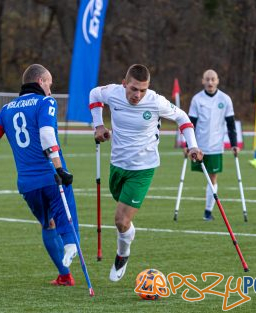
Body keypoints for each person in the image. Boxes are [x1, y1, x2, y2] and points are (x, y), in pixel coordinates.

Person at [0, 64, 79, 286]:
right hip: (51, 176)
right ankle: (71, 245)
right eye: (49, 83)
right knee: (66, 215)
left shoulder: (6, 109)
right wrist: (60, 168)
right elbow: (47, 135)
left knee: (48, 223)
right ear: (41, 81)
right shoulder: (46, 102)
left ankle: (64, 275)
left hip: (27, 184)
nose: (50, 89)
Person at [88, 64, 203, 282]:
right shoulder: (113, 92)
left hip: (143, 168)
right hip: (117, 164)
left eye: (142, 90)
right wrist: (98, 125)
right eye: (133, 89)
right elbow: (94, 94)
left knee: (120, 220)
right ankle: (128, 233)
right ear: (124, 84)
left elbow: (183, 118)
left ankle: (123, 254)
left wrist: (193, 146)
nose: (137, 95)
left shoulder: (156, 101)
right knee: (123, 218)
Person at [187, 69, 238, 221]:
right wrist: (188, 144)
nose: (210, 82)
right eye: (207, 79)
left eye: (213, 79)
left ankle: (208, 211)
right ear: (203, 81)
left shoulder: (225, 99)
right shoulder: (197, 99)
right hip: (199, 146)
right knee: (204, 177)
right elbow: (191, 124)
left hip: (216, 146)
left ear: (217, 81)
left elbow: (230, 124)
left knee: (212, 177)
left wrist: (234, 144)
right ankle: (207, 210)